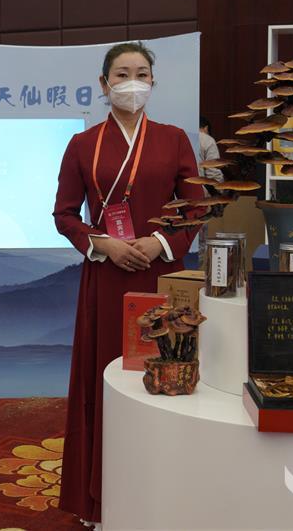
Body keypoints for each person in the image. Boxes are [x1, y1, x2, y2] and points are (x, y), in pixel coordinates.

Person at [54, 42, 204, 525]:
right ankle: (101, 500)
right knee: (105, 377)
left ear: (153, 82)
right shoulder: (83, 144)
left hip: (161, 277)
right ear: (104, 83)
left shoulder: (174, 139)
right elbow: (64, 215)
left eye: (141, 73)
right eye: (121, 74)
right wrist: (103, 243)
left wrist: (160, 243)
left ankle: (163, 493)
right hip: (106, 274)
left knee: (162, 371)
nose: (132, 82)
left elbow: (196, 209)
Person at [197, 117, 223, 182]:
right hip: (198, 186)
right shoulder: (207, 139)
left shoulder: (177, 137)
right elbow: (213, 173)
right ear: (206, 128)